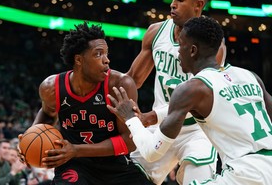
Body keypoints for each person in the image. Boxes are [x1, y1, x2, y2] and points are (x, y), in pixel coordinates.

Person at [107, 16, 272, 184]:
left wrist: (131, 119)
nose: (178, 51)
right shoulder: (250, 77)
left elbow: (151, 152)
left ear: (193, 50)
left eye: (181, 45)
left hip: (243, 174)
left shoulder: (192, 88)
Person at [19, 22, 154, 185]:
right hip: (74, 166)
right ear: (79, 60)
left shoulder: (119, 85)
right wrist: (28, 140)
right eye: (98, 54)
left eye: (106, 53)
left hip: (115, 166)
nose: (107, 60)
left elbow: (130, 141)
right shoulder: (52, 88)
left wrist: (76, 150)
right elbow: (47, 114)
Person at [125, 0, 225, 185]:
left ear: (198, 5)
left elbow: (199, 97)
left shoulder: (212, 45)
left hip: (197, 130)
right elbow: (133, 80)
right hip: (161, 127)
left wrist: (150, 117)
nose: (172, 4)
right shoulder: (156, 32)